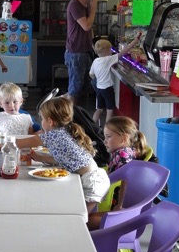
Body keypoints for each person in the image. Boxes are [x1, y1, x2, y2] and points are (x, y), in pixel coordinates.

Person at [14, 96, 109, 227]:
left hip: (91, 183)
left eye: (42, 119)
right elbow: (61, 158)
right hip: (95, 178)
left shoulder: (53, 136)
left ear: (50, 122)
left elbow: (17, 143)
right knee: (75, 215)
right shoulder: (66, 131)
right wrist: (39, 157)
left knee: (77, 220)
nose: (41, 122)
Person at [90, 33, 143, 128]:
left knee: (99, 109)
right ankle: (106, 129)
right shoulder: (108, 59)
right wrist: (135, 41)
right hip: (107, 89)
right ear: (106, 51)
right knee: (110, 110)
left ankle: (91, 126)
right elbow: (123, 52)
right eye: (110, 50)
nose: (111, 51)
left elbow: (91, 74)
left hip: (99, 89)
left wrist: (99, 77)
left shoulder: (95, 61)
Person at [64, 0, 98, 107]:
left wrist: (93, 44)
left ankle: (72, 112)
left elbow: (89, 29)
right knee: (75, 90)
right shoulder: (75, 4)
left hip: (86, 51)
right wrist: (94, 8)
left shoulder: (86, 5)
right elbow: (86, 26)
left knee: (83, 88)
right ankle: (67, 116)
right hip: (76, 53)